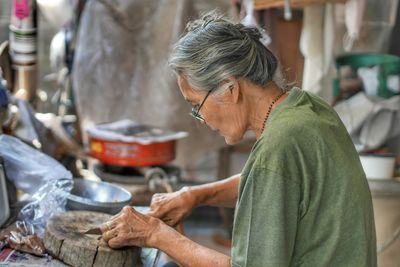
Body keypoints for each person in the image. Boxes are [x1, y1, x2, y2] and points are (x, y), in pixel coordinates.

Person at [100, 12, 377, 267]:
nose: (201, 118)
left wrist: (155, 235)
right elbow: (274, 181)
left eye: (197, 105)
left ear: (230, 89)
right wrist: (194, 195)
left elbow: (271, 174)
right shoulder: (308, 109)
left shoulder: (278, 146)